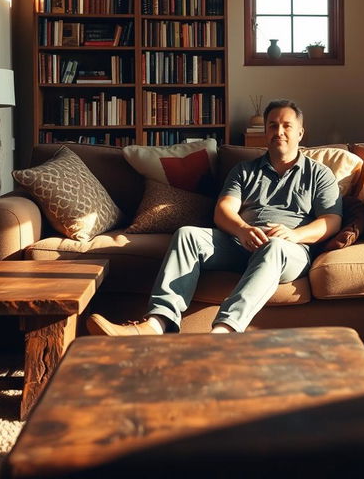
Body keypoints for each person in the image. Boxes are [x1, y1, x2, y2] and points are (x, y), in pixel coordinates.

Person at [87, 99, 342, 336]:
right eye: (273, 125)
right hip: (240, 243)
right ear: (265, 132)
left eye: (287, 126)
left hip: (287, 250)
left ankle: (223, 332)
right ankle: (157, 323)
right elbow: (224, 210)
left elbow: (331, 219)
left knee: (275, 246)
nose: (279, 131)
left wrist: (294, 235)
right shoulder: (244, 170)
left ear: (300, 132)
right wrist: (242, 230)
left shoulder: (319, 174)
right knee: (188, 235)